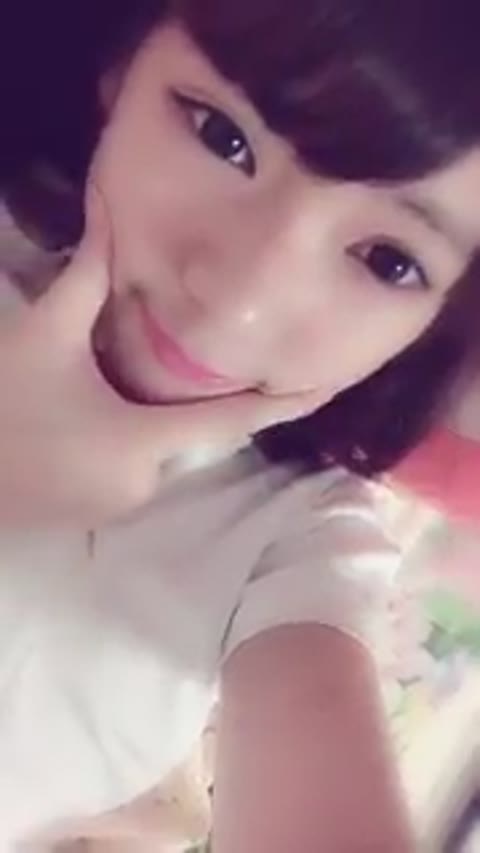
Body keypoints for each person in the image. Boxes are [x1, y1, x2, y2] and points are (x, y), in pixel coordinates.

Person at [2, 1, 480, 849]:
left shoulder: (294, 538)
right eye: (223, 137)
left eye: (387, 260)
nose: (239, 300)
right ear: (123, 64)